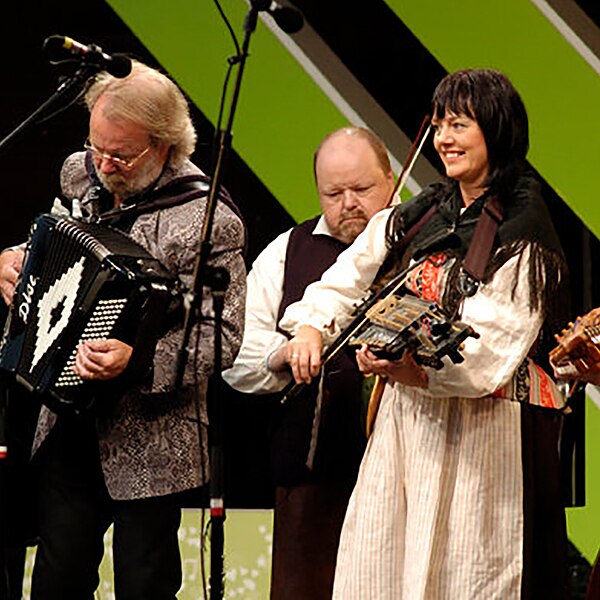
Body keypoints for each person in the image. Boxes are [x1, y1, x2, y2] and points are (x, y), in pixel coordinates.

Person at [279, 69, 570, 599]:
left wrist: (414, 369)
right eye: (439, 125)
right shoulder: (428, 209)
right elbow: (348, 275)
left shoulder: (525, 225)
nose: (444, 139)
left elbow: (492, 347)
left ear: (497, 129)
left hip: (485, 429)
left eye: (459, 124)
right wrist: (311, 327)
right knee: (385, 560)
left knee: (468, 569)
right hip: (408, 422)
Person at [0, 60, 246, 598]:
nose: (104, 165)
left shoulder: (206, 221)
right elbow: (54, 238)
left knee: (144, 583)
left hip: (153, 436)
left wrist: (134, 361)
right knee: (57, 576)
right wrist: (17, 258)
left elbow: (221, 335)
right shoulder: (79, 172)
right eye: (96, 146)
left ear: (163, 146)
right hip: (67, 412)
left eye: (121, 154)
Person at [223, 126, 395, 599]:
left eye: (361, 189)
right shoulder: (287, 250)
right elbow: (236, 353)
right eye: (333, 193)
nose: (348, 204)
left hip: (406, 474)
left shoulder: (421, 249)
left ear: (391, 180)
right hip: (311, 474)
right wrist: (282, 354)